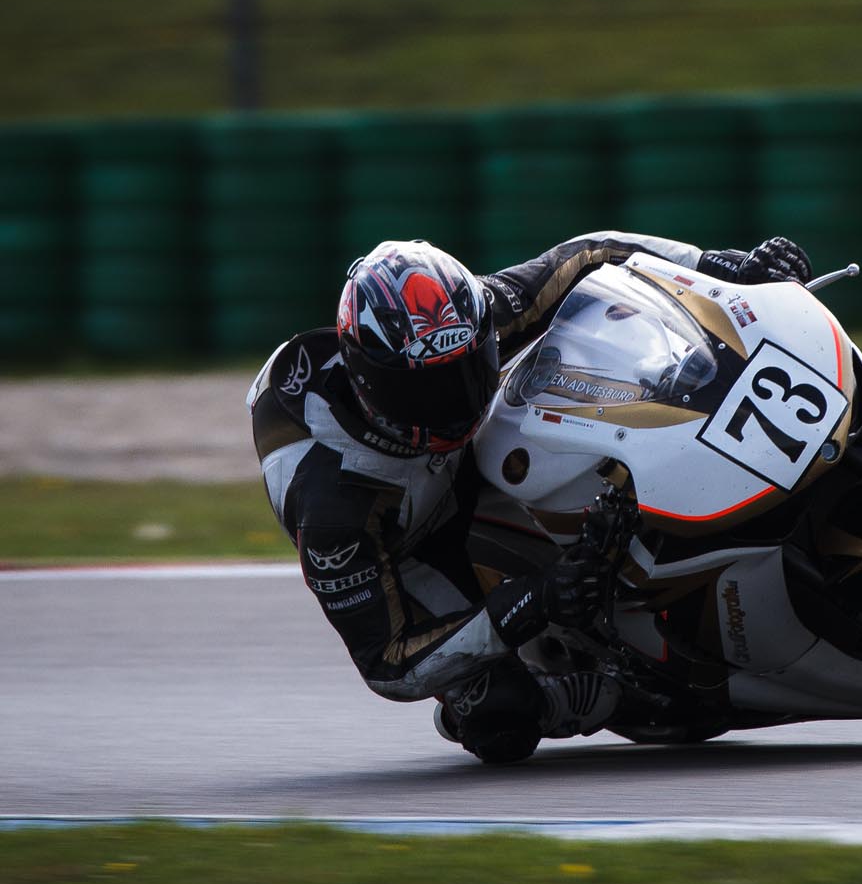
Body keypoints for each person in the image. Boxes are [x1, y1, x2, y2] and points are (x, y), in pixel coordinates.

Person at [248, 231, 812, 763]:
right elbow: (388, 664)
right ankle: (592, 694)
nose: (453, 399)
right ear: (367, 381)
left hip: (471, 456)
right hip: (410, 539)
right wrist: (536, 600)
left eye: (466, 369)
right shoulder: (331, 508)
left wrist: (720, 266)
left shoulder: (467, 318)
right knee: (500, 718)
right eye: (425, 389)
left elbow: (590, 255)